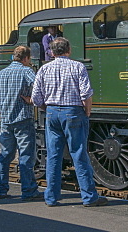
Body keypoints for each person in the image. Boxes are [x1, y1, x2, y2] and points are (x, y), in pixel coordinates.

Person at [31, 36, 105, 207]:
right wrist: (87, 111)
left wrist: (47, 108)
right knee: (79, 154)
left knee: (53, 156)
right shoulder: (78, 67)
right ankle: (89, 197)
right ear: (68, 50)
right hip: (73, 112)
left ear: (51, 52)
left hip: (52, 112)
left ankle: (51, 197)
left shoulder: (44, 69)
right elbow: (86, 93)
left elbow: (36, 98)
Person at [0, 45, 41, 200]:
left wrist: (0, 111)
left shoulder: (1, 74)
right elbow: (40, 88)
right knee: (25, 156)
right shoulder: (27, 71)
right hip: (23, 120)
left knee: (5, 155)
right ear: (26, 58)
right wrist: (31, 100)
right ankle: (28, 190)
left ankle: (1, 189)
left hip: (6, 121)